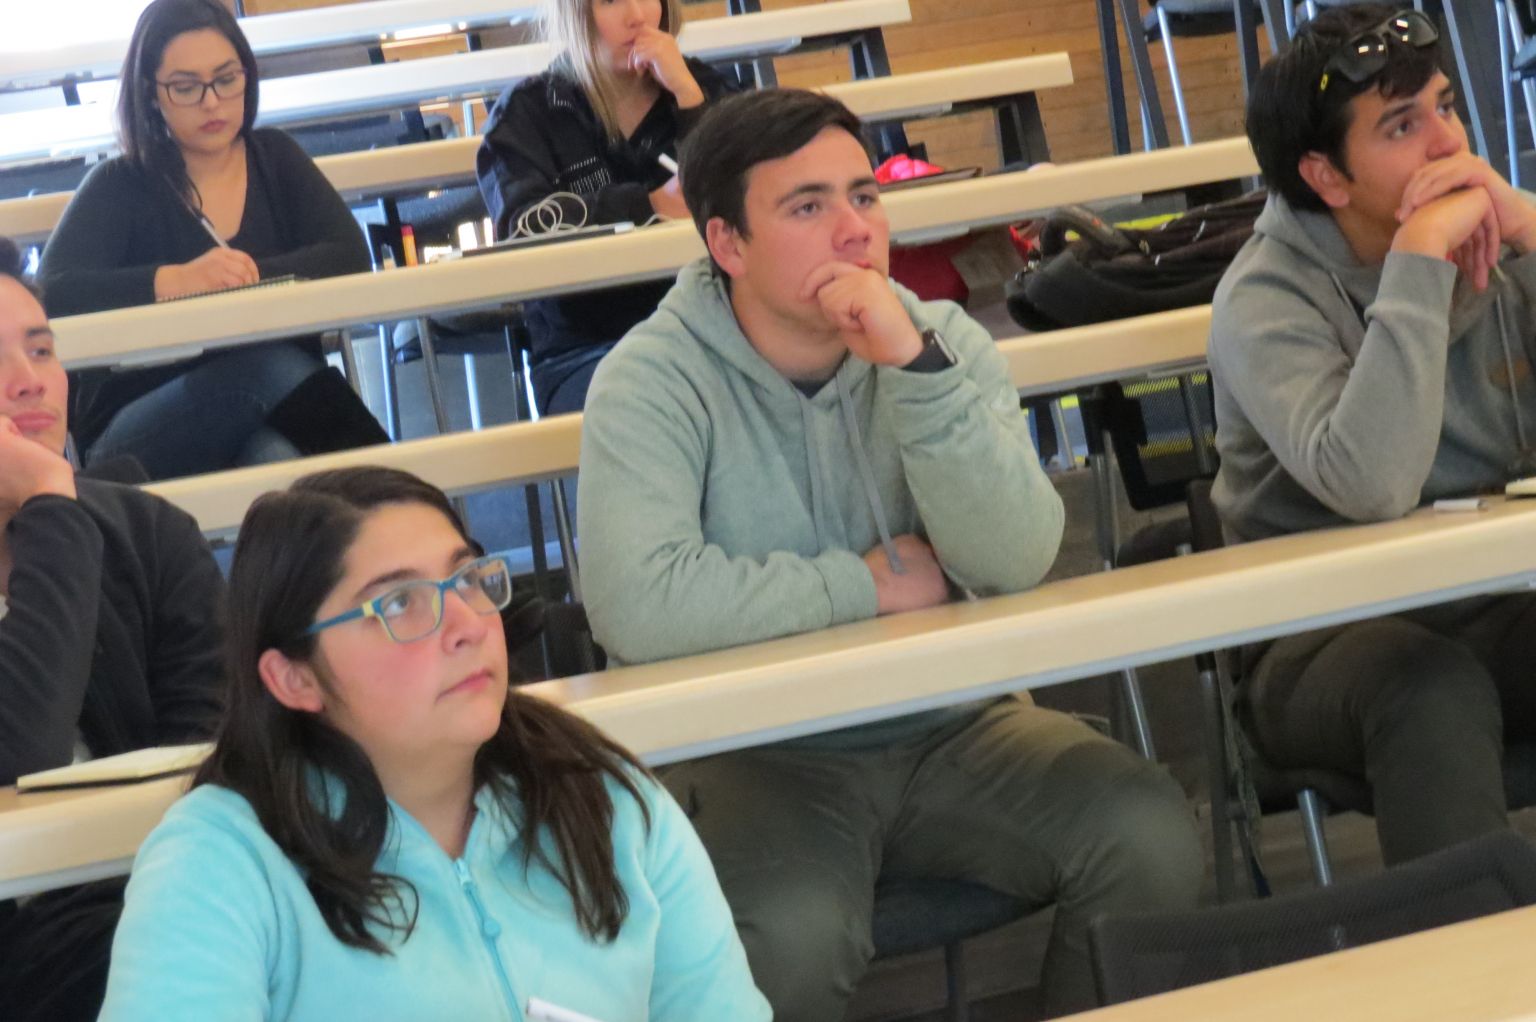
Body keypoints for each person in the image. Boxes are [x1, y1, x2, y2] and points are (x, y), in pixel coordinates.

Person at [577, 88, 1204, 1019]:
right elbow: (639, 603)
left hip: (952, 723)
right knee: (786, 937)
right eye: (807, 206)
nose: (854, 230)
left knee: (1148, 834)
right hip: (752, 749)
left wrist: (915, 370)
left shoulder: (939, 341)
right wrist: (862, 586)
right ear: (727, 244)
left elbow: (1017, 555)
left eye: (864, 196)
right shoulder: (651, 378)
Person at [99, 465, 769, 1021]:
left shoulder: (604, 796)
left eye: (468, 581)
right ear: (295, 678)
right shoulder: (221, 861)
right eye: (398, 604)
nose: (466, 625)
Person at [1210, 5, 1536, 865]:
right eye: (1401, 125)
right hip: (1320, 635)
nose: (1448, 142)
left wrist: (1531, 229)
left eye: (1446, 106)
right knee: (1427, 687)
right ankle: (1470, 948)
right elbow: (1374, 483)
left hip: (1495, 593)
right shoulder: (1264, 301)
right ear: (1327, 177)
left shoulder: (1502, 237)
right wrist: (1418, 262)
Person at [0, 236, 225, 1021]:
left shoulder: (150, 534)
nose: (29, 381)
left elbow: (215, 756)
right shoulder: (78, 520)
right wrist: (48, 502)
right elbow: (15, 754)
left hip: (160, 890)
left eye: (41, 350)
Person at [37, 0, 386, 480]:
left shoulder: (275, 157)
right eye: (186, 87)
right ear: (150, 94)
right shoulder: (119, 183)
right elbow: (51, 292)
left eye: (226, 79)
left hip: (271, 409)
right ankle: (395, 487)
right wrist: (174, 281)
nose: (211, 102)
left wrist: (244, 278)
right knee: (262, 367)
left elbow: (348, 256)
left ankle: (384, 499)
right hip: (138, 432)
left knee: (274, 460)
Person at [476, 0, 738, 414]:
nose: (637, 16)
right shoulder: (526, 114)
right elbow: (522, 228)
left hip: (712, 332)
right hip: (583, 353)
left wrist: (689, 100)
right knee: (661, 400)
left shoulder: (707, 91)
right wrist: (649, 205)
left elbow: (752, 202)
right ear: (575, 13)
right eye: (610, 1)